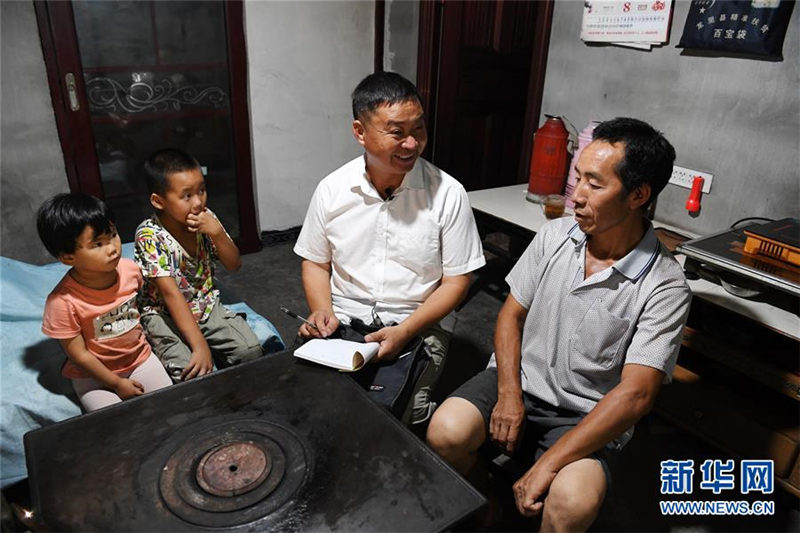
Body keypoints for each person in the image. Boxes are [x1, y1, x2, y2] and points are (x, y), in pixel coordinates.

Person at [427, 117, 691, 530]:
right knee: (445, 432)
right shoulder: (555, 237)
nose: (576, 197)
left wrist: (551, 462)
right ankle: (484, 500)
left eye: (595, 185)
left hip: (585, 414)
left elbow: (637, 396)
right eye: (578, 178)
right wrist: (510, 393)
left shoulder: (665, 285)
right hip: (522, 381)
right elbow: (510, 315)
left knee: (571, 502)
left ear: (638, 195)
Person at [293, 71, 486, 425]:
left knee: (398, 420)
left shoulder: (448, 194)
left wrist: (407, 330)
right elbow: (316, 262)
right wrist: (321, 311)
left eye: (418, 130)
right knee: (310, 402)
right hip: (344, 316)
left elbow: (458, 281)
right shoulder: (332, 190)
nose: (411, 144)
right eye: (396, 132)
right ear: (359, 132)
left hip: (418, 323)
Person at [135, 148, 263, 383]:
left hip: (204, 303)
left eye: (201, 190)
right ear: (158, 201)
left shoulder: (207, 218)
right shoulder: (150, 236)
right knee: (191, 372)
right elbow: (170, 294)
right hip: (164, 312)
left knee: (250, 350)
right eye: (187, 196)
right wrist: (200, 346)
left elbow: (234, 264)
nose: (198, 202)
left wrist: (217, 233)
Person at [38, 193, 172, 411]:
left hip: (140, 359)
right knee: (115, 423)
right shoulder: (62, 302)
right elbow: (79, 356)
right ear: (68, 257)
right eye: (98, 243)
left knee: (169, 406)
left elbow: (148, 302)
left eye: (113, 234)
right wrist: (117, 383)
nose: (112, 247)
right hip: (93, 377)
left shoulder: (130, 270)